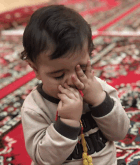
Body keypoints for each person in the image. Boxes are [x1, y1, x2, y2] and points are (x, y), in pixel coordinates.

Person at [20, 5, 130, 165]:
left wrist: (99, 100)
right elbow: (43, 159)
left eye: (82, 69)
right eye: (58, 75)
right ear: (35, 69)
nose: (73, 80)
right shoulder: (35, 108)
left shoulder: (99, 89)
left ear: (89, 55)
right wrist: (67, 123)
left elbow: (120, 132)